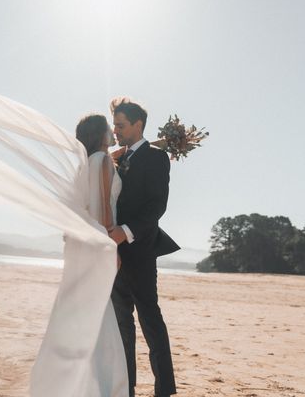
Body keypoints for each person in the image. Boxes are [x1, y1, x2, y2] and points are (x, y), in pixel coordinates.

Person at [107, 97, 180, 397]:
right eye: (114, 126)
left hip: (139, 252)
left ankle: (164, 390)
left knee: (150, 321)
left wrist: (124, 233)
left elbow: (156, 207)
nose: (116, 131)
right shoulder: (117, 157)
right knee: (122, 323)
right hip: (113, 256)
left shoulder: (157, 157)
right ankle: (128, 388)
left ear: (139, 125)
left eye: (121, 125)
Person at [74, 113, 129, 397]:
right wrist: (114, 246)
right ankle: (101, 385)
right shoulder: (104, 161)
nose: (113, 131)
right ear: (100, 134)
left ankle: (85, 380)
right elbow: (106, 206)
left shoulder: (84, 164)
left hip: (82, 247)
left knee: (87, 311)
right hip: (101, 243)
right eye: (109, 128)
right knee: (101, 313)